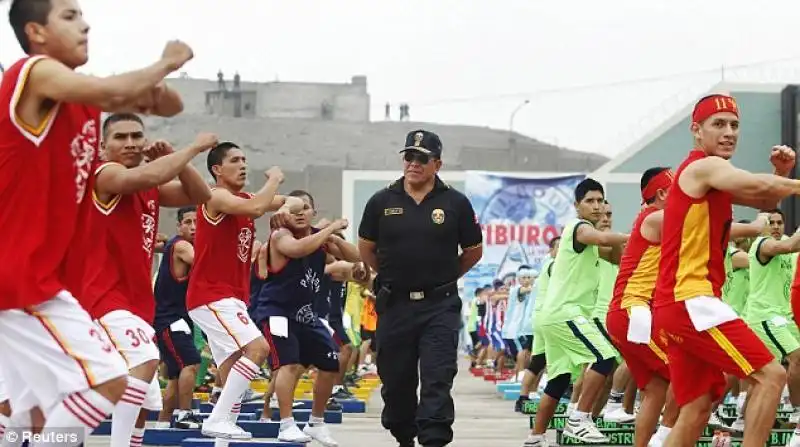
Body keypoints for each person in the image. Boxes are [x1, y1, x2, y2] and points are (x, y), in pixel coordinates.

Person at [0, 0, 191, 444]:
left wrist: (158, 82)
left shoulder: (81, 99)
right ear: (36, 32)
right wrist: (165, 61)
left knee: (28, 412)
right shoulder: (33, 72)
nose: (84, 24)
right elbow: (116, 93)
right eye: (69, 16)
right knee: (106, 383)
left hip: (44, 276)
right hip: (20, 273)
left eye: (82, 15)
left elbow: (170, 104)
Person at [653, 93, 800, 446]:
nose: (729, 132)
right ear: (696, 131)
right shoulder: (703, 167)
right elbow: (758, 188)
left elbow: (764, 199)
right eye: (718, 124)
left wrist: (781, 174)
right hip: (691, 300)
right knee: (771, 376)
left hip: (678, 304)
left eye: (734, 125)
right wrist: (782, 181)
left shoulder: (713, 175)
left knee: (698, 407)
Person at [84, 114, 212, 447]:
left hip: (139, 302)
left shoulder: (151, 185)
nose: (129, 143)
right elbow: (144, 176)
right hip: (103, 296)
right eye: (120, 137)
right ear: (103, 146)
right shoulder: (105, 173)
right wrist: (192, 148)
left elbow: (200, 195)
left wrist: (176, 158)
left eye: (136, 136)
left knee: (147, 401)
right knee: (144, 360)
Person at [358, 129, 483, 447]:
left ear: (437, 164)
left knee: (437, 378)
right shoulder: (381, 201)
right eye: (409, 157)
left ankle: (433, 439)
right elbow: (366, 247)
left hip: (439, 306)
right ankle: (404, 436)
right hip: (395, 305)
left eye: (421, 158)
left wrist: (443, 276)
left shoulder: (455, 202)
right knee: (397, 382)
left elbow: (473, 250)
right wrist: (391, 275)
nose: (413, 163)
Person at [186, 142, 300, 439]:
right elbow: (258, 206)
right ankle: (216, 419)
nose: (243, 165)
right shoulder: (216, 196)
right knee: (259, 349)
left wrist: (285, 207)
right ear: (217, 169)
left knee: (233, 374)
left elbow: (295, 203)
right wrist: (274, 178)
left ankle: (222, 434)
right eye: (235, 160)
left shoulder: (245, 198)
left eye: (245, 159)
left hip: (229, 297)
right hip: (212, 295)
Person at [524, 178, 628, 446]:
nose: (597, 207)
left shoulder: (593, 243)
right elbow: (603, 237)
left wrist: (616, 235)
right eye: (590, 201)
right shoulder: (578, 228)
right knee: (605, 357)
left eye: (600, 201)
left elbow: (615, 256)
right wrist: (642, 233)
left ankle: (535, 439)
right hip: (566, 314)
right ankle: (579, 419)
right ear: (577, 206)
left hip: (557, 317)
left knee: (558, 381)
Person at [255, 190, 360, 445]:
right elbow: (299, 249)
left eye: (306, 209)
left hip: (306, 315)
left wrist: (333, 235)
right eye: (294, 209)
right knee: (288, 365)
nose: (300, 214)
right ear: (284, 213)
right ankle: (286, 424)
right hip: (276, 312)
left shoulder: (321, 238)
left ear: (314, 212)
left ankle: (316, 422)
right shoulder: (281, 235)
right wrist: (330, 227)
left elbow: (355, 257)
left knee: (330, 363)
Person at [743, 209, 800, 447]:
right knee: (798, 358)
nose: (775, 226)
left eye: (779, 222)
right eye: (770, 222)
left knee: (763, 380)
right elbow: (787, 247)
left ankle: (740, 418)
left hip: (784, 317)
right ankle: (797, 415)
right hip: (765, 317)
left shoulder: (789, 244)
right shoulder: (762, 244)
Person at [154, 206, 204, 429]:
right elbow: (204, 265)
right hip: (170, 319)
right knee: (192, 362)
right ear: (179, 226)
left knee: (175, 374)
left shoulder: (177, 244)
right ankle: (185, 415)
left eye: (197, 222)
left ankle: (163, 424)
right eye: (188, 222)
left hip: (177, 318)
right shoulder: (183, 246)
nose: (193, 227)